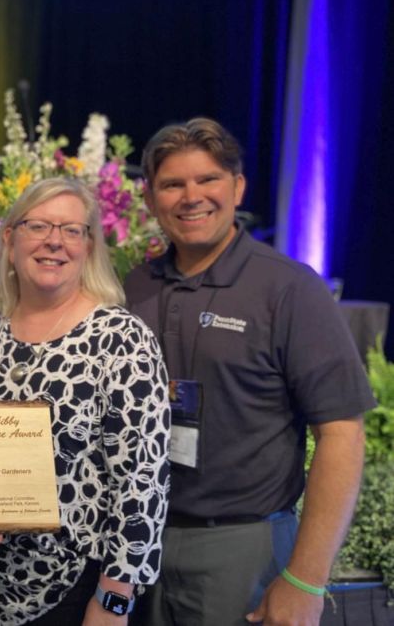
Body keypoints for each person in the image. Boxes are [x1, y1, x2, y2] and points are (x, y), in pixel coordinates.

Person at [124, 117, 376, 626]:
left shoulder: (288, 289)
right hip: (137, 545)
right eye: (173, 184)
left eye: (208, 180)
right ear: (150, 200)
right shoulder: (133, 288)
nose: (191, 196)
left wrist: (306, 578)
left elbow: (343, 436)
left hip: (244, 548)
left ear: (237, 188)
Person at [0, 177, 170, 625]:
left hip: (76, 592)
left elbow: (142, 482)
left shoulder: (120, 338)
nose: (55, 241)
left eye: (72, 229)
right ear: (10, 239)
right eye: (39, 226)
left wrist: (114, 599)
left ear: (89, 247)